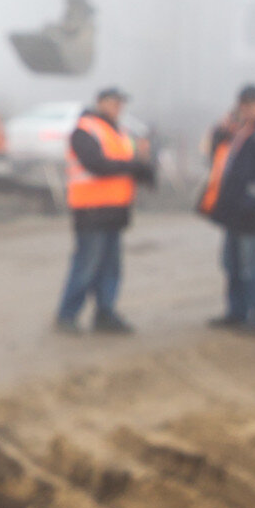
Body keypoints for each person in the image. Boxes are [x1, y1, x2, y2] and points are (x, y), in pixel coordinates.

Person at [55, 87, 155, 334]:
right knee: (87, 265)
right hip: (91, 209)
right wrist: (134, 166)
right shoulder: (84, 130)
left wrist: (144, 168)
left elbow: (135, 166)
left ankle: (105, 313)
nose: (117, 107)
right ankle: (67, 315)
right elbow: (96, 164)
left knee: (110, 267)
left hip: (115, 210)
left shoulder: (121, 133)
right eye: (113, 102)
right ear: (100, 103)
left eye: (120, 103)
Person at [198, 84, 255, 335]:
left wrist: (252, 202)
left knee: (253, 266)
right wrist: (221, 130)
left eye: (251, 105)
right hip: (235, 213)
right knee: (233, 264)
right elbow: (216, 155)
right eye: (243, 105)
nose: (247, 110)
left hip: (254, 214)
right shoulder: (240, 132)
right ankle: (237, 313)